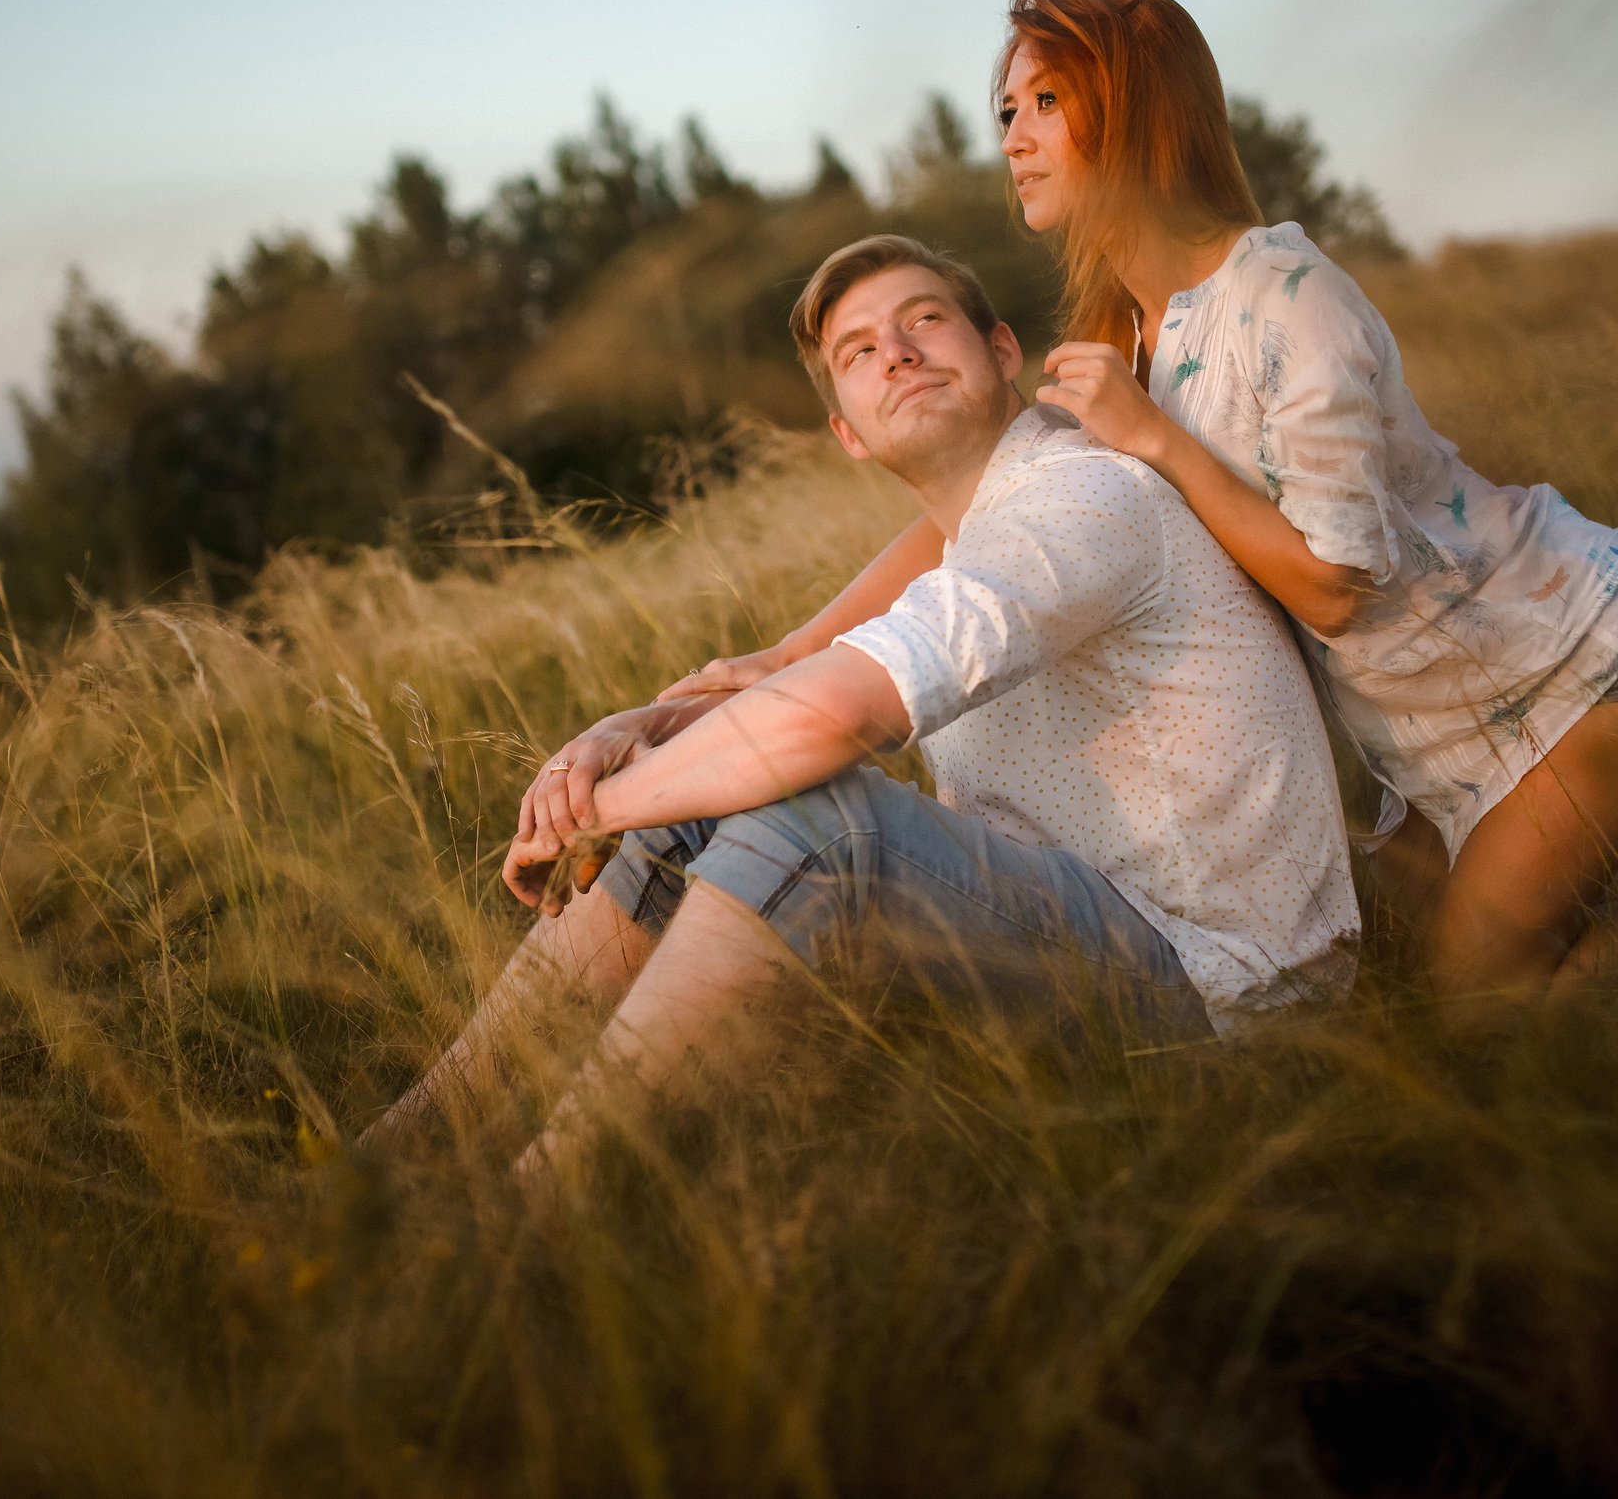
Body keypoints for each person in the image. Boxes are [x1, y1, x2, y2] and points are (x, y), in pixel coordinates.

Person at [663, 0, 1618, 997]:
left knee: (1474, 1001)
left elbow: (1333, 591)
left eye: (1047, 103)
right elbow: (987, 513)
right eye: (1006, 111)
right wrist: (783, 656)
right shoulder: (1120, 328)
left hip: (1578, 657)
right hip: (1429, 725)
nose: (1013, 138)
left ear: (1138, 114)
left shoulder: (1289, 299)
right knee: (1404, 957)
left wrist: (1157, 442)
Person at [363, 235, 1359, 1174]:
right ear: (845, 431)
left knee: (819, 817)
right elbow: (781, 687)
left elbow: (831, 717)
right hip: (1078, 931)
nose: (896, 352)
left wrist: (601, 807)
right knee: (716, 788)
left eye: (924, 319)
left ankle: (527, 1217)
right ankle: (399, 1159)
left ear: (1000, 349)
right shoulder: (971, 532)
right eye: (859, 349)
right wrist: (619, 735)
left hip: (1219, 995)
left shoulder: (1080, 502)